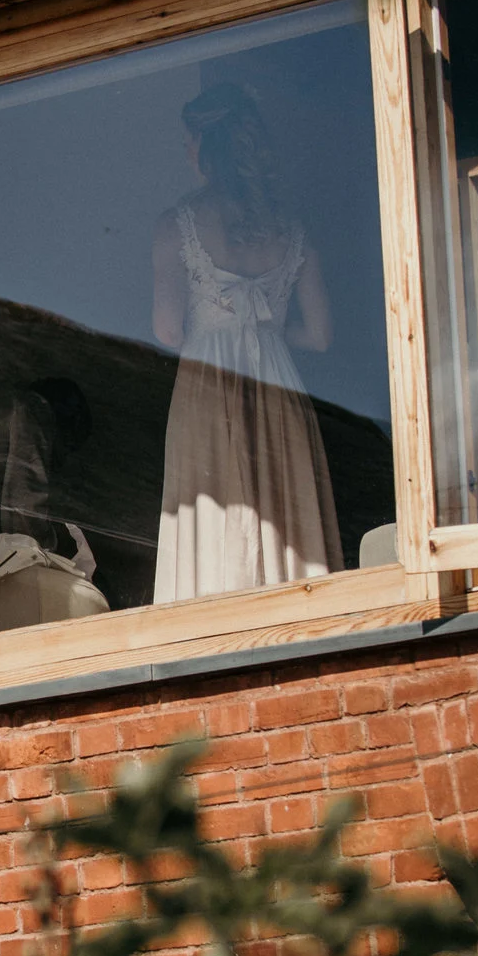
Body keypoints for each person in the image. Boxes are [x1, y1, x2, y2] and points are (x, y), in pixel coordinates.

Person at [151, 81, 342, 601]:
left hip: (209, 381)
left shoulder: (178, 224)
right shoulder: (290, 228)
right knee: (281, 505)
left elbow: (167, 329)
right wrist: (268, 333)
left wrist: (218, 329)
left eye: (188, 140)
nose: (184, 151)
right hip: (276, 379)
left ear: (206, 146)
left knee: (213, 506)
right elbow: (321, 336)